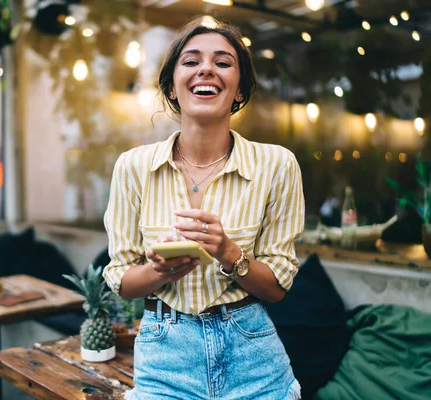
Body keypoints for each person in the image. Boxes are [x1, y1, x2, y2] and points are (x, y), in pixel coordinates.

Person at [103, 17, 304, 400]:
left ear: (240, 87)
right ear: (172, 86)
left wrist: (229, 253)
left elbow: (277, 289)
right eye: (191, 61)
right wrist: (158, 272)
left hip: (253, 357)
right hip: (164, 356)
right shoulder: (133, 166)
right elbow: (122, 280)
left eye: (223, 62)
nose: (206, 69)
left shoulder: (277, 165)